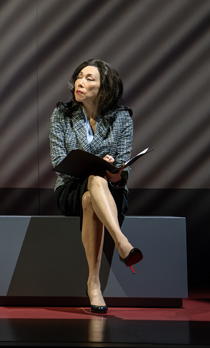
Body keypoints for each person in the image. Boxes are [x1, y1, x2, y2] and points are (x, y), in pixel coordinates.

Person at [49, 59, 143, 314]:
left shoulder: (122, 118)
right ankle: (122, 242)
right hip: (70, 188)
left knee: (94, 192)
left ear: (104, 88)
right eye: (79, 76)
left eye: (89, 78)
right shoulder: (62, 114)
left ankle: (93, 283)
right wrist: (96, 163)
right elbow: (59, 163)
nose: (80, 82)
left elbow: (124, 167)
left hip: (110, 192)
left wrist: (116, 174)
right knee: (94, 178)